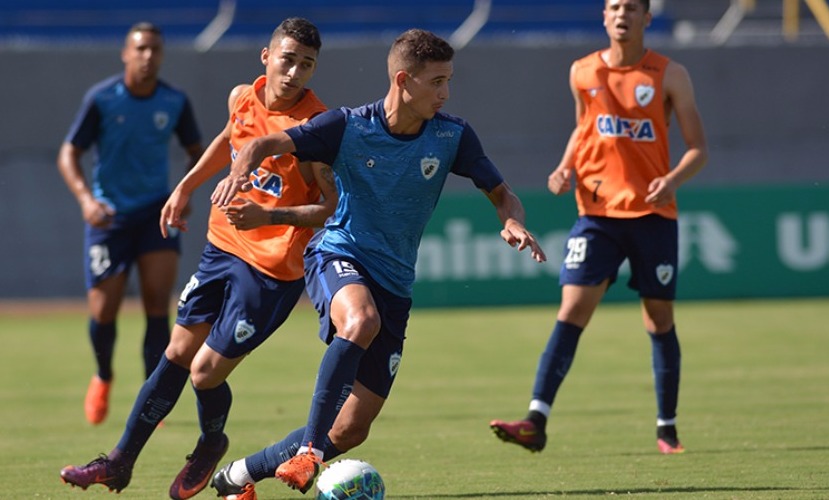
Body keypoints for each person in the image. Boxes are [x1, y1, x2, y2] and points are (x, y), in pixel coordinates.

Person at [206, 28, 547, 499]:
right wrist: (241, 166)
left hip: (395, 283)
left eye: (449, 81)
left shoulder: (452, 135)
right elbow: (262, 145)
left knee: (349, 430)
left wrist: (512, 221)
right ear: (404, 80)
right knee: (359, 320)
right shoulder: (347, 126)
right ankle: (309, 451)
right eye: (437, 82)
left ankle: (239, 475)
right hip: (337, 252)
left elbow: (501, 193)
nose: (445, 93)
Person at [60, 18, 335, 500]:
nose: (294, 73)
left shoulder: (315, 128)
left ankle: (211, 443)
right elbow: (227, 142)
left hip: (271, 271)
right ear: (266, 58)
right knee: (176, 353)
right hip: (222, 248)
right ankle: (119, 462)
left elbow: (329, 207)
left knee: (206, 372)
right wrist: (185, 187)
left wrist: (270, 213)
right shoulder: (242, 97)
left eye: (306, 65)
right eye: (287, 59)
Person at [489, 0, 708, 455]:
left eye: (631, 7)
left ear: (646, 18)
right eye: (614, 6)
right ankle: (536, 420)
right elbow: (584, 127)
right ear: (604, 17)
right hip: (596, 214)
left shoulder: (670, 75)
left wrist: (671, 180)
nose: (622, 14)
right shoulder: (582, 72)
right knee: (571, 310)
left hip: (652, 216)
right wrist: (564, 166)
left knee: (658, 318)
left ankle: (667, 428)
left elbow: (697, 149)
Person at [57, 21, 204, 426]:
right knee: (104, 310)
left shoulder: (174, 101)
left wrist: (183, 193)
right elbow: (69, 153)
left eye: (154, 49)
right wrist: (87, 200)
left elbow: (198, 152)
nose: (147, 56)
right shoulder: (102, 98)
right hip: (110, 217)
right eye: (139, 49)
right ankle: (103, 376)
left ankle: (151, 398)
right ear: (125, 53)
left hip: (156, 213)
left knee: (158, 304)